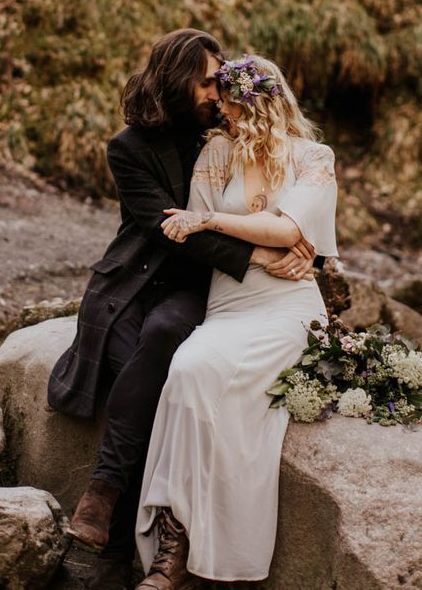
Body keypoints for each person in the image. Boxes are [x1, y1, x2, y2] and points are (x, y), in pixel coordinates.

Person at [46, 31, 317, 589]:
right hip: (134, 281)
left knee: (167, 341)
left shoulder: (223, 134)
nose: (216, 93)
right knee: (132, 367)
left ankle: (108, 512)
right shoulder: (129, 148)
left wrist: (293, 253)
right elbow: (168, 229)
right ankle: (112, 535)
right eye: (203, 82)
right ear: (174, 82)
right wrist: (264, 256)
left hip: (195, 289)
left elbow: (272, 194)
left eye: (218, 82)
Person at [135, 54, 338, 589]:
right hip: (229, 304)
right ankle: (175, 539)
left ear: (257, 104)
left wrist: (209, 218)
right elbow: (231, 240)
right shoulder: (216, 154)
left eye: (227, 104)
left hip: (288, 306)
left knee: (223, 387)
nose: (218, 113)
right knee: (188, 371)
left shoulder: (314, 157)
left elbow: (285, 225)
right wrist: (261, 232)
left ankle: (198, 560)